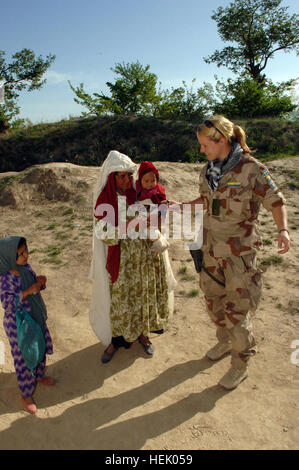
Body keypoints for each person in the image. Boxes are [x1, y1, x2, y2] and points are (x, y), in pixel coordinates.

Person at [172, 115, 290, 390]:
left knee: (237, 312)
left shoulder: (251, 169)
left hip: (239, 254)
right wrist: (182, 206)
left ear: (222, 140)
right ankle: (224, 342)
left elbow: (275, 202)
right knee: (214, 303)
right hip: (211, 249)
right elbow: (205, 200)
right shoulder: (207, 171)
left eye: (204, 145)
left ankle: (241, 365)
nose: (202, 150)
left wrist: (283, 230)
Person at [89, 150, 176, 364]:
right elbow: (103, 233)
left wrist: (159, 212)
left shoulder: (139, 193)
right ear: (112, 178)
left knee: (143, 296)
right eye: (122, 176)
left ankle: (143, 335)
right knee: (121, 301)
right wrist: (128, 226)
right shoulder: (106, 199)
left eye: (130, 175)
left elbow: (154, 217)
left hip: (145, 258)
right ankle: (116, 340)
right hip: (123, 261)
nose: (128, 180)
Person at [0, 236, 54, 414]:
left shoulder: (25, 268)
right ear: (7, 258)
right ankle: (26, 394)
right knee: (24, 359)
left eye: (25, 251)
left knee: (40, 347)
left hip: (35, 316)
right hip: (20, 326)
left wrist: (40, 283)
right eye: (20, 254)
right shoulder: (5, 278)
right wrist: (28, 291)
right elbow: (8, 305)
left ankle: (39, 376)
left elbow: (34, 288)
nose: (25, 256)